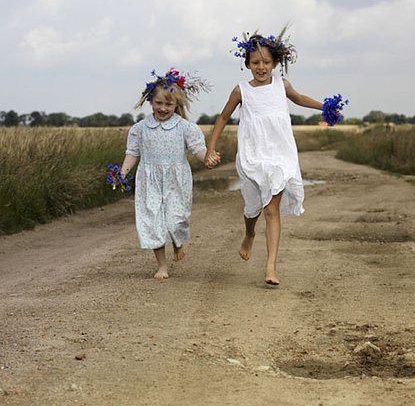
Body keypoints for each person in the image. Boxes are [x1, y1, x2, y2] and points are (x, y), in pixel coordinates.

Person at [205, 29, 324, 286]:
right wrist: (210, 148)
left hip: (281, 154)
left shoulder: (283, 85)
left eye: (266, 62)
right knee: (252, 207)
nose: (261, 67)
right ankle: (249, 233)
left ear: (275, 64)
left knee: (272, 209)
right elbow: (223, 117)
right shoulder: (241, 91)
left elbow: (300, 98)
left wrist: (325, 107)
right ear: (247, 64)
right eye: (255, 62)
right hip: (253, 154)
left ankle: (270, 266)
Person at [119, 68, 217, 280]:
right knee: (153, 221)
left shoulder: (185, 128)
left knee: (176, 219)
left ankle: (178, 241)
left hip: (176, 180)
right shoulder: (140, 128)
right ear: (150, 101)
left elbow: (197, 149)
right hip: (149, 180)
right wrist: (123, 172)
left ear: (177, 105)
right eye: (159, 103)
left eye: (168, 104)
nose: (163, 108)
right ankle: (162, 266)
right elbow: (132, 153)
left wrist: (207, 158)